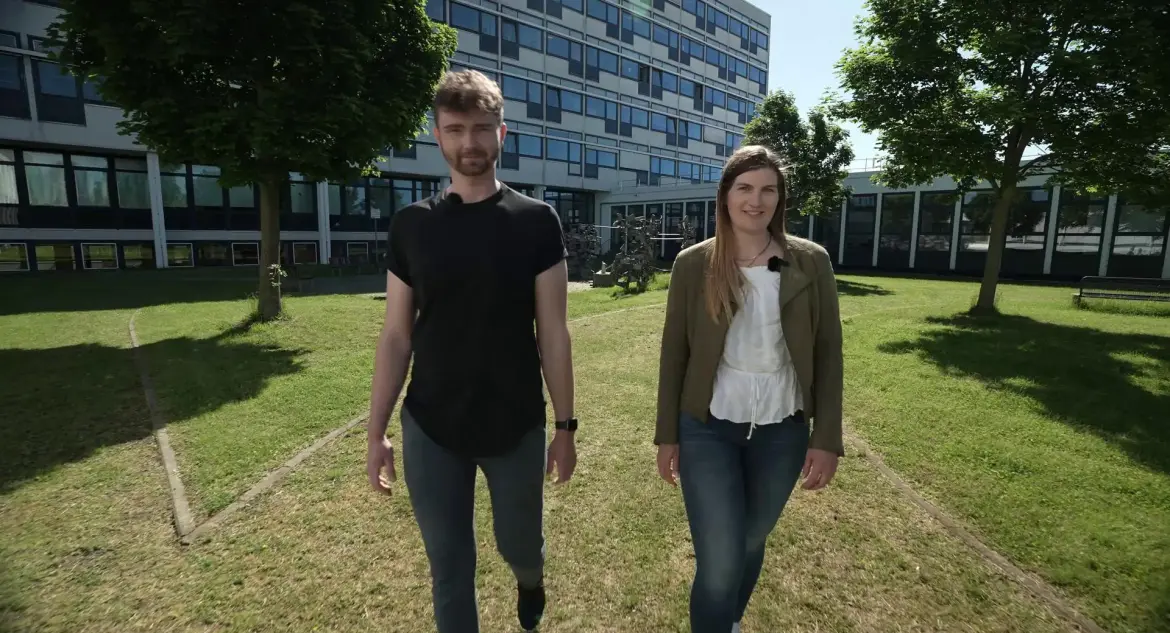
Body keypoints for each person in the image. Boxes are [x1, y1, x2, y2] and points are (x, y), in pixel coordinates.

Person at [366, 69, 578, 633]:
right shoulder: (411, 226)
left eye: (482, 128)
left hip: (515, 422)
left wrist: (565, 426)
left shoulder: (536, 221)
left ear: (502, 133)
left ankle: (530, 580)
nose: (470, 143)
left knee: (520, 545)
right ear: (437, 135)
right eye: (456, 129)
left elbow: (553, 332)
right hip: (432, 426)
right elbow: (395, 335)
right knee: (450, 569)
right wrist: (376, 432)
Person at [654, 145, 844, 633]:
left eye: (768, 190)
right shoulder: (694, 265)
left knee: (749, 541)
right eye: (744, 188)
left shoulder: (810, 262)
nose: (755, 201)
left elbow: (828, 353)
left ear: (780, 199)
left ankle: (728, 621)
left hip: (782, 432)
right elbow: (674, 353)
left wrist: (825, 439)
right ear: (725, 195)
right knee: (719, 560)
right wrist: (666, 436)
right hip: (707, 429)